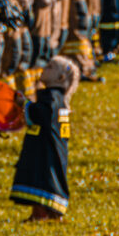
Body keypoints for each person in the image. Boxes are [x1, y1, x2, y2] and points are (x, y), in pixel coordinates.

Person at [9, 55, 78, 222]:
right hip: (51, 148)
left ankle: (39, 214)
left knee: (40, 178)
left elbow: (42, 114)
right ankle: (53, 212)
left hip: (44, 150)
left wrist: (23, 103)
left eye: (50, 67)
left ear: (60, 78)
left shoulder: (51, 97)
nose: (44, 68)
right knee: (48, 177)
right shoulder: (56, 98)